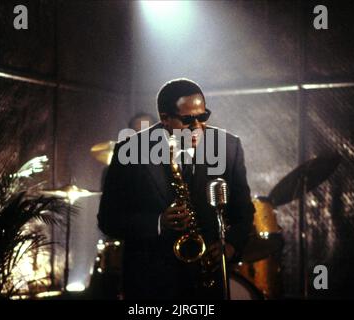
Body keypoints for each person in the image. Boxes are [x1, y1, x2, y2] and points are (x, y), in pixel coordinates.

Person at [98, 78, 255, 299]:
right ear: (165, 119)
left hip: (208, 283)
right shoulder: (130, 150)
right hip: (150, 284)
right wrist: (158, 223)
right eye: (188, 120)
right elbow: (107, 219)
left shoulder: (228, 147)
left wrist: (229, 246)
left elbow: (244, 212)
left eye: (202, 117)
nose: (198, 127)